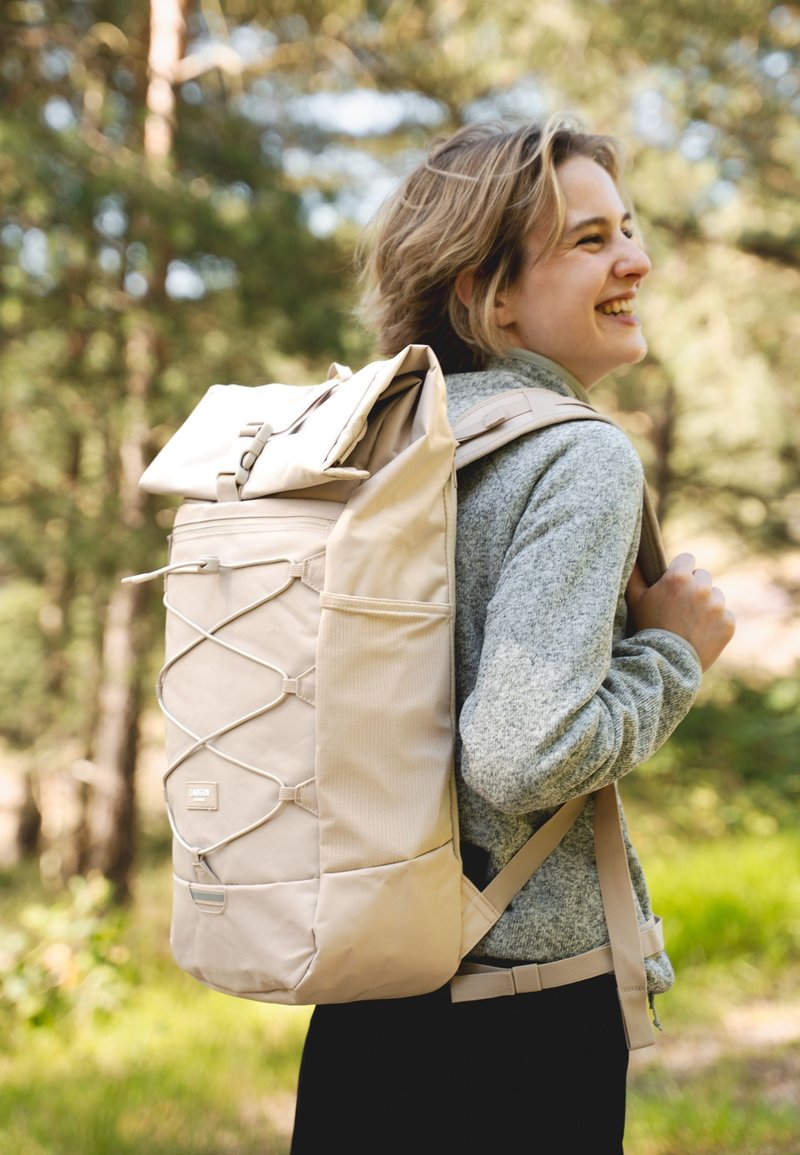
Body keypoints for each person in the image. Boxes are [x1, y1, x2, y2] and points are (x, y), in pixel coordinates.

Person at [289, 114, 735, 1155]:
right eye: (589, 241)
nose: (638, 258)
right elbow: (521, 751)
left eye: (625, 227)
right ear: (488, 294)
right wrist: (671, 655)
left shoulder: (380, 444)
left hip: (363, 989)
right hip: (516, 1019)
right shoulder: (573, 458)